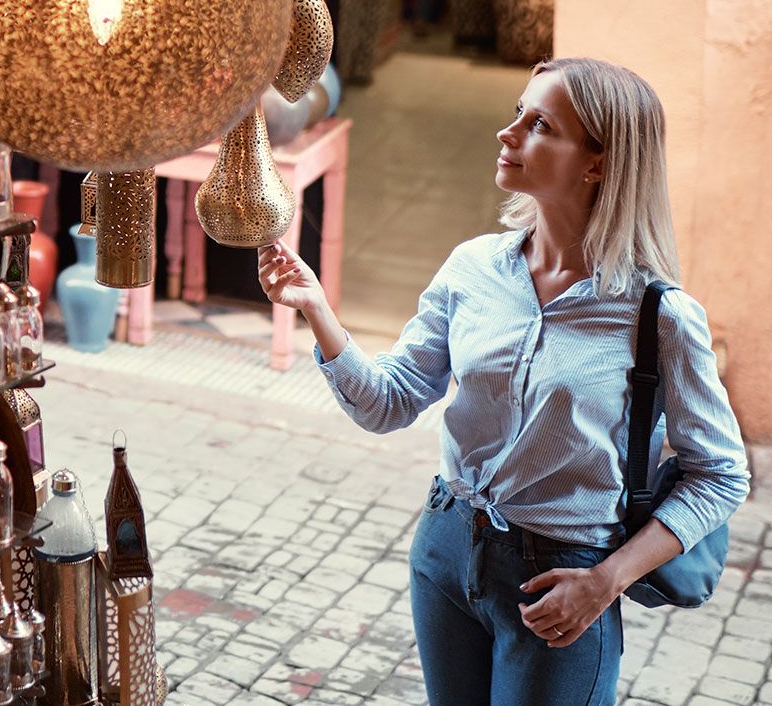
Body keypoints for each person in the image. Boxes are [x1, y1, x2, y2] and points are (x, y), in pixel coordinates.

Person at [258, 57, 749, 706]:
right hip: (445, 546)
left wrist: (606, 582)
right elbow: (391, 402)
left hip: (565, 577)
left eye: (539, 123)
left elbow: (721, 474)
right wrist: (317, 310)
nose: (507, 132)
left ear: (598, 161)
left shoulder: (659, 316)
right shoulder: (473, 269)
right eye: (517, 112)